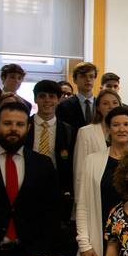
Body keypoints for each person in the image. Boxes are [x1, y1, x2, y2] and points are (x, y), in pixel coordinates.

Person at [0, 102, 61, 256]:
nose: (14, 129)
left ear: (28, 128)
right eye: (7, 123)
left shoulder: (42, 164)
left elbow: (52, 211)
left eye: (20, 124)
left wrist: (43, 249)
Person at [75, 107, 128, 256]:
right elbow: (82, 206)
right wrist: (84, 244)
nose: (121, 129)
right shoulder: (92, 161)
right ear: (108, 129)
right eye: (116, 125)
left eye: (126, 124)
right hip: (99, 241)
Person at [27, 80, 74, 220]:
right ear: (35, 99)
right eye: (42, 96)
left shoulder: (68, 130)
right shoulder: (24, 125)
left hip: (56, 190)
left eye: (52, 96)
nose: (47, 100)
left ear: (58, 100)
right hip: (26, 186)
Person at [72, 89, 122, 197]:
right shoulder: (85, 132)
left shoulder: (127, 131)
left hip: (121, 191)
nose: (111, 106)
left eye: (114, 103)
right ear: (98, 107)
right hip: (94, 192)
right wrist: (79, 200)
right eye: (105, 103)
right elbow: (79, 170)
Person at [57, 62, 98, 136]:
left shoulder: (100, 104)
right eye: (83, 76)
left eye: (91, 76)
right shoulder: (64, 106)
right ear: (75, 80)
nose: (88, 79)